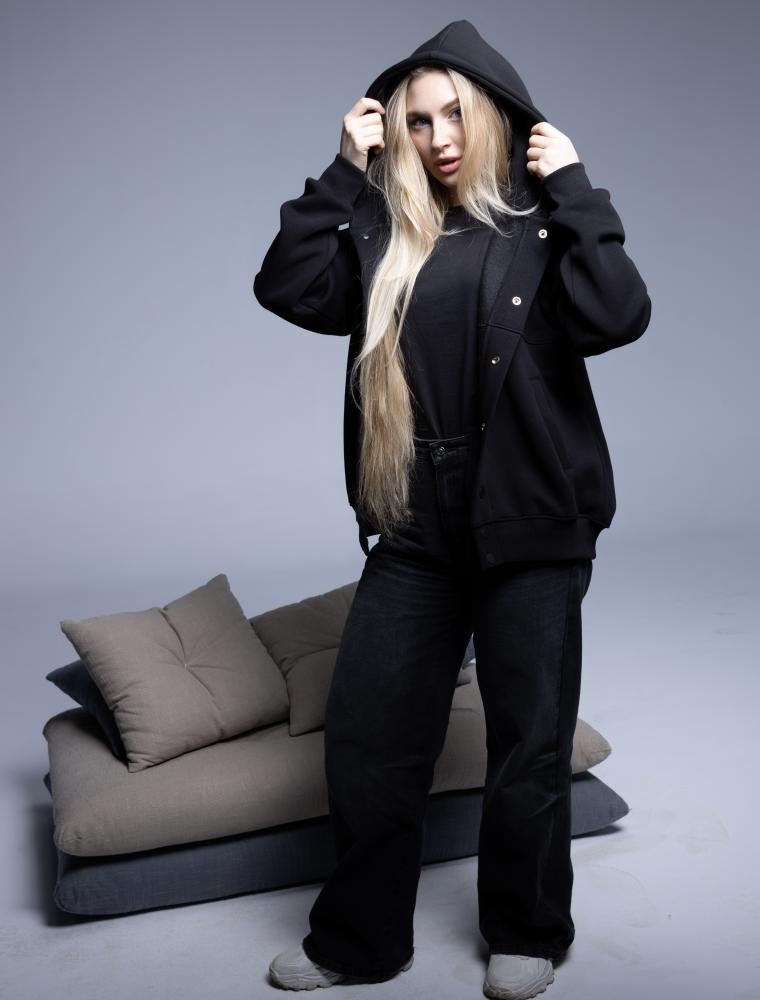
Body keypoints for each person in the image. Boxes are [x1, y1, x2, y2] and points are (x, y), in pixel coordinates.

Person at [254, 19, 651, 1000]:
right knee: (368, 736)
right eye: (417, 120)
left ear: (497, 117)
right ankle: (359, 941)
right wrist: (341, 173)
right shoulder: (383, 231)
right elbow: (285, 287)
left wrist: (576, 186)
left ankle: (527, 930)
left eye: (455, 115)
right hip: (414, 522)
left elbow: (618, 314)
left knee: (529, 741)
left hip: (530, 519)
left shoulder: (542, 224)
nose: (437, 137)